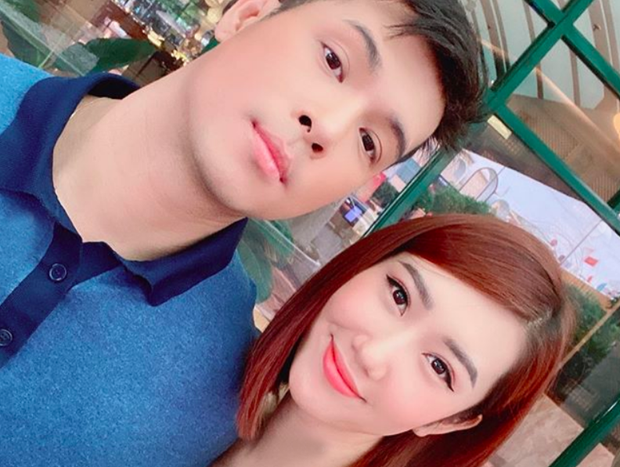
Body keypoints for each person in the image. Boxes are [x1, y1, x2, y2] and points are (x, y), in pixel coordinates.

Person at [0, 0, 483, 465]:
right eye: (333, 60)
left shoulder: (220, 391)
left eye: (368, 141)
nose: (329, 128)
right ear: (248, 15)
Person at [215, 214, 576, 467]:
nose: (372, 354)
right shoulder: (207, 359)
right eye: (399, 295)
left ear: (449, 422)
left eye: (439, 366)